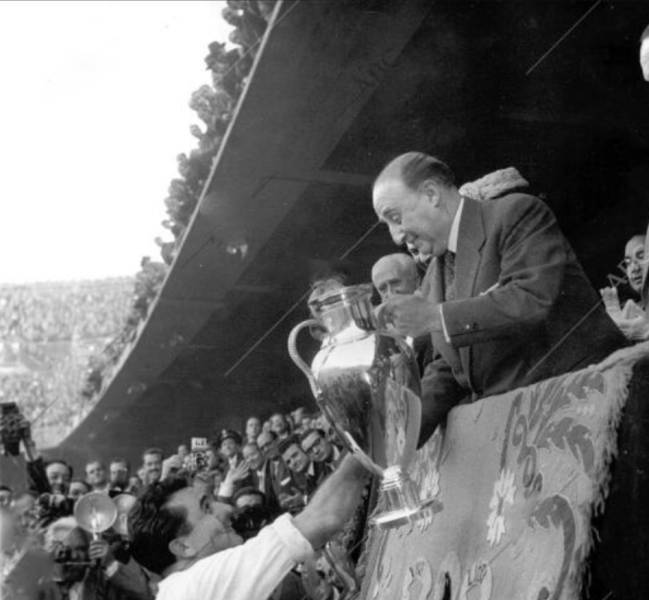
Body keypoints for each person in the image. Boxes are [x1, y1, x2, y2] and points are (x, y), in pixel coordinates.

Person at [373, 152, 626, 442]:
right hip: (525, 430)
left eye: (395, 217)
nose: (395, 236)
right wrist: (402, 435)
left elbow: (532, 299)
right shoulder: (433, 277)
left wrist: (433, 316)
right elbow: (450, 367)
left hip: (594, 408)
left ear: (431, 194)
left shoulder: (516, 214)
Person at [128, 454, 368, 600]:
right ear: (183, 546)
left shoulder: (179, 591)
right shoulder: (196, 584)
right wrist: (361, 447)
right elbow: (325, 518)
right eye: (207, 508)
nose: (227, 509)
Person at [600, 234, 649, 341]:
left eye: (641, 256)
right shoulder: (635, 311)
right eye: (628, 263)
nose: (634, 268)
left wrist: (646, 332)